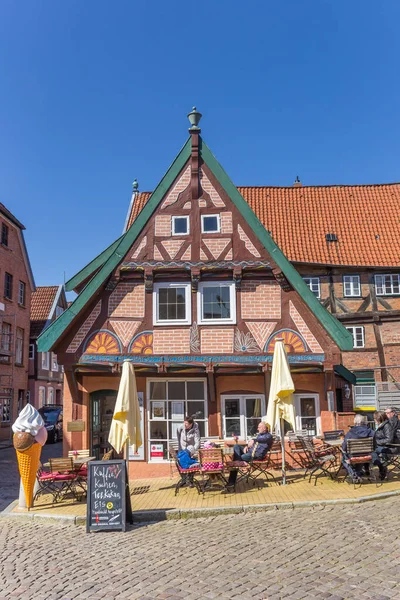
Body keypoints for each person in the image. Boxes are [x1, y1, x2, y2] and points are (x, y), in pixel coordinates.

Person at [341, 414, 387, 482]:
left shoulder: (350, 433)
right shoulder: (371, 432)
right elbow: (374, 446)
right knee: (371, 454)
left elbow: (344, 448)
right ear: (364, 422)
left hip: (353, 456)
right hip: (368, 456)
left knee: (343, 459)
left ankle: (354, 474)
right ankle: (359, 472)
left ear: (355, 422)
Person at [227, 422, 273, 488]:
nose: (257, 429)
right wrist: (247, 447)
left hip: (256, 456)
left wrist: (253, 440)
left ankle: (231, 481)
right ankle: (238, 461)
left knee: (238, 460)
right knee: (236, 446)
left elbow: (261, 440)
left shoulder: (269, 436)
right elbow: (254, 443)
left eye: (259, 427)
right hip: (250, 452)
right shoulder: (259, 435)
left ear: (265, 428)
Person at [177, 416, 201, 487]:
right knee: (179, 462)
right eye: (184, 423)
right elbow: (179, 438)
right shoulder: (180, 427)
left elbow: (197, 441)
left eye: (186, 424)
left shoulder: (195, 429)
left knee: (192, 462)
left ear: (191, 424)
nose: (185, 425)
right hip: (183, 447)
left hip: (191, 449)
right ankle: (184, 479)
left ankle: (190, 480)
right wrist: (184, 449)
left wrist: (193, 450)